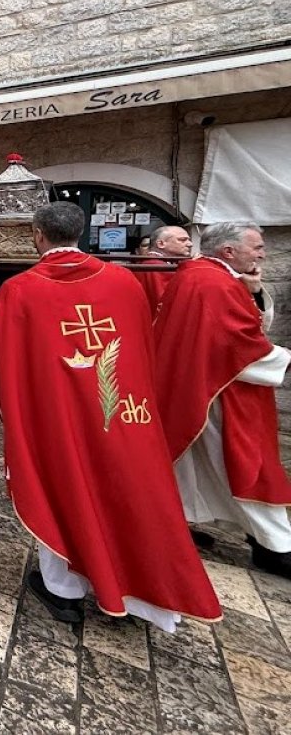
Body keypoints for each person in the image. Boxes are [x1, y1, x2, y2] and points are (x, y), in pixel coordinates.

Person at [0, 202, 222, 630]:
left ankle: (62, 588)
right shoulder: (122, 281)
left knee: (59, 490)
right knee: (128, 493)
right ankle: (135, 588)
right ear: (79, 232)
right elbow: (142, 347)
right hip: (122, 414)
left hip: (56, 419)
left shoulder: (21, 290)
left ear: (38, 236)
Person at [154, 222, 291, 579]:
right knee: (245, 465)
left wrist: (256, 290)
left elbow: (246, 326)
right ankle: (274, 546)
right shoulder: (209, 281)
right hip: (221, 392)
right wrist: (284, 359)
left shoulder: (206, 275)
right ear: (228, 251)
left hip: (210, 387)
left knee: (194, 464)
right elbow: (235, 343)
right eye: (256, 247)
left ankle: (176, 524)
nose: (262, 253)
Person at [133, 225, 192, 317]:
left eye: (189, 240)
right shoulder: (156, 266)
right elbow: (166, 303)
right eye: (182, 240)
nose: (189, 244)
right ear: (161, 244)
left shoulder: (154, 263)